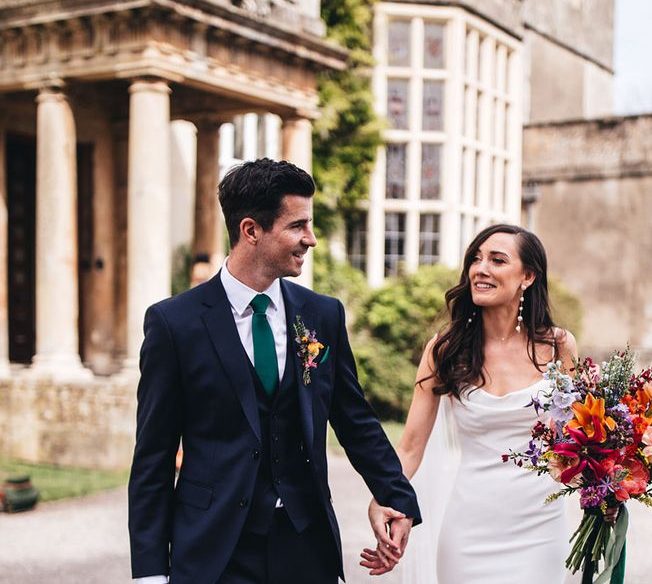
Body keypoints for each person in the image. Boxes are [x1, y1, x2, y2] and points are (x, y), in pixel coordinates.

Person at [128, 158, 420, 584]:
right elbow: (152, 456)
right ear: (251, 231)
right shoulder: (175, 323)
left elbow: (355, 420)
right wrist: (150, 573)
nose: (311, 239)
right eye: (297, 226)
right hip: (215, 550)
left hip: (305, 545)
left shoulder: (322, 315)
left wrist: (396, 497)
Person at [361, 223, 581, 583]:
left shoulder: (558, 346)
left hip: (540, 525)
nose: (481, 269)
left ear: (527, 276)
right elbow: (411, 447)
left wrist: (611, 482)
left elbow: (578, 436)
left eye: (497, 260)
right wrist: (385, 495)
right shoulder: (446, 350)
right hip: (470, 526)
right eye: (476, 259)